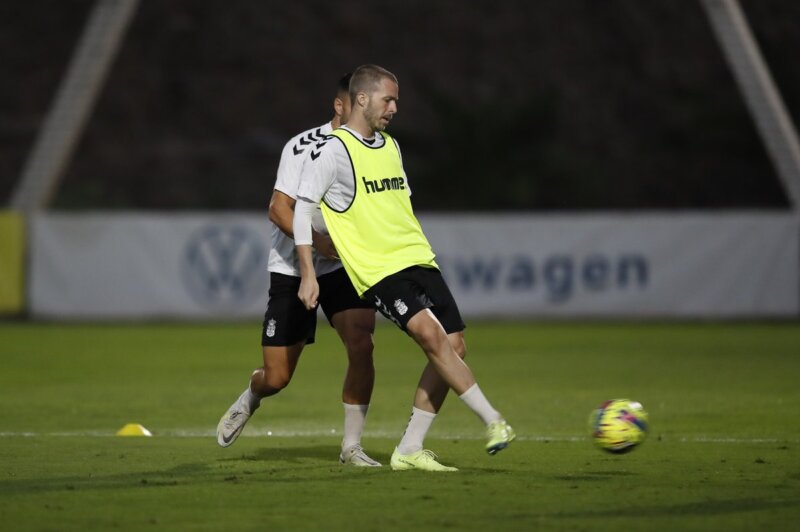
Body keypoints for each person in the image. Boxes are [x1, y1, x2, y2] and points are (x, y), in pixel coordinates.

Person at [293, 64, 515, 472]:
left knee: (455, 345)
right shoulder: (333, 150)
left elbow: (397, 205)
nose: (395, 107)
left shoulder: (391, 146)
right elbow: (301, 210)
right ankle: (494, 420)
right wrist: (309, 273)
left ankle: (410, 449)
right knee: (431, 336)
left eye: (396, 100)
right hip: (377, 270)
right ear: (362, 99)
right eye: (388, 99)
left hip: (418, 258)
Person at [216, 73, 382, 467]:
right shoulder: (304, 145)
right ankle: (251, 395)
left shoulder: (377, 148)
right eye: (359, 104)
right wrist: (318, 244)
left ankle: (352, 447)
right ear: (340, 105)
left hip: (342, 266)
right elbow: (278, 208)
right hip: (293, 266)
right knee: (278, 377)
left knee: (362, 344)